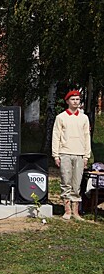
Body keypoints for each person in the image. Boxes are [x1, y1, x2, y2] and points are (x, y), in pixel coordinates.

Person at [52, 90, 91, 220]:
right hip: (65, 153)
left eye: (78, 99)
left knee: (77, 183)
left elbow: (87, 137)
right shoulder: (61, 117)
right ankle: (67, 210)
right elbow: (56, 136)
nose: (76, 102)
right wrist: (56, 155)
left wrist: (86, 156)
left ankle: (76, 211)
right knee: (66, 181)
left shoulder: (84, 118)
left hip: (79, 153)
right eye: (73, 99)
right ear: (67, 101)